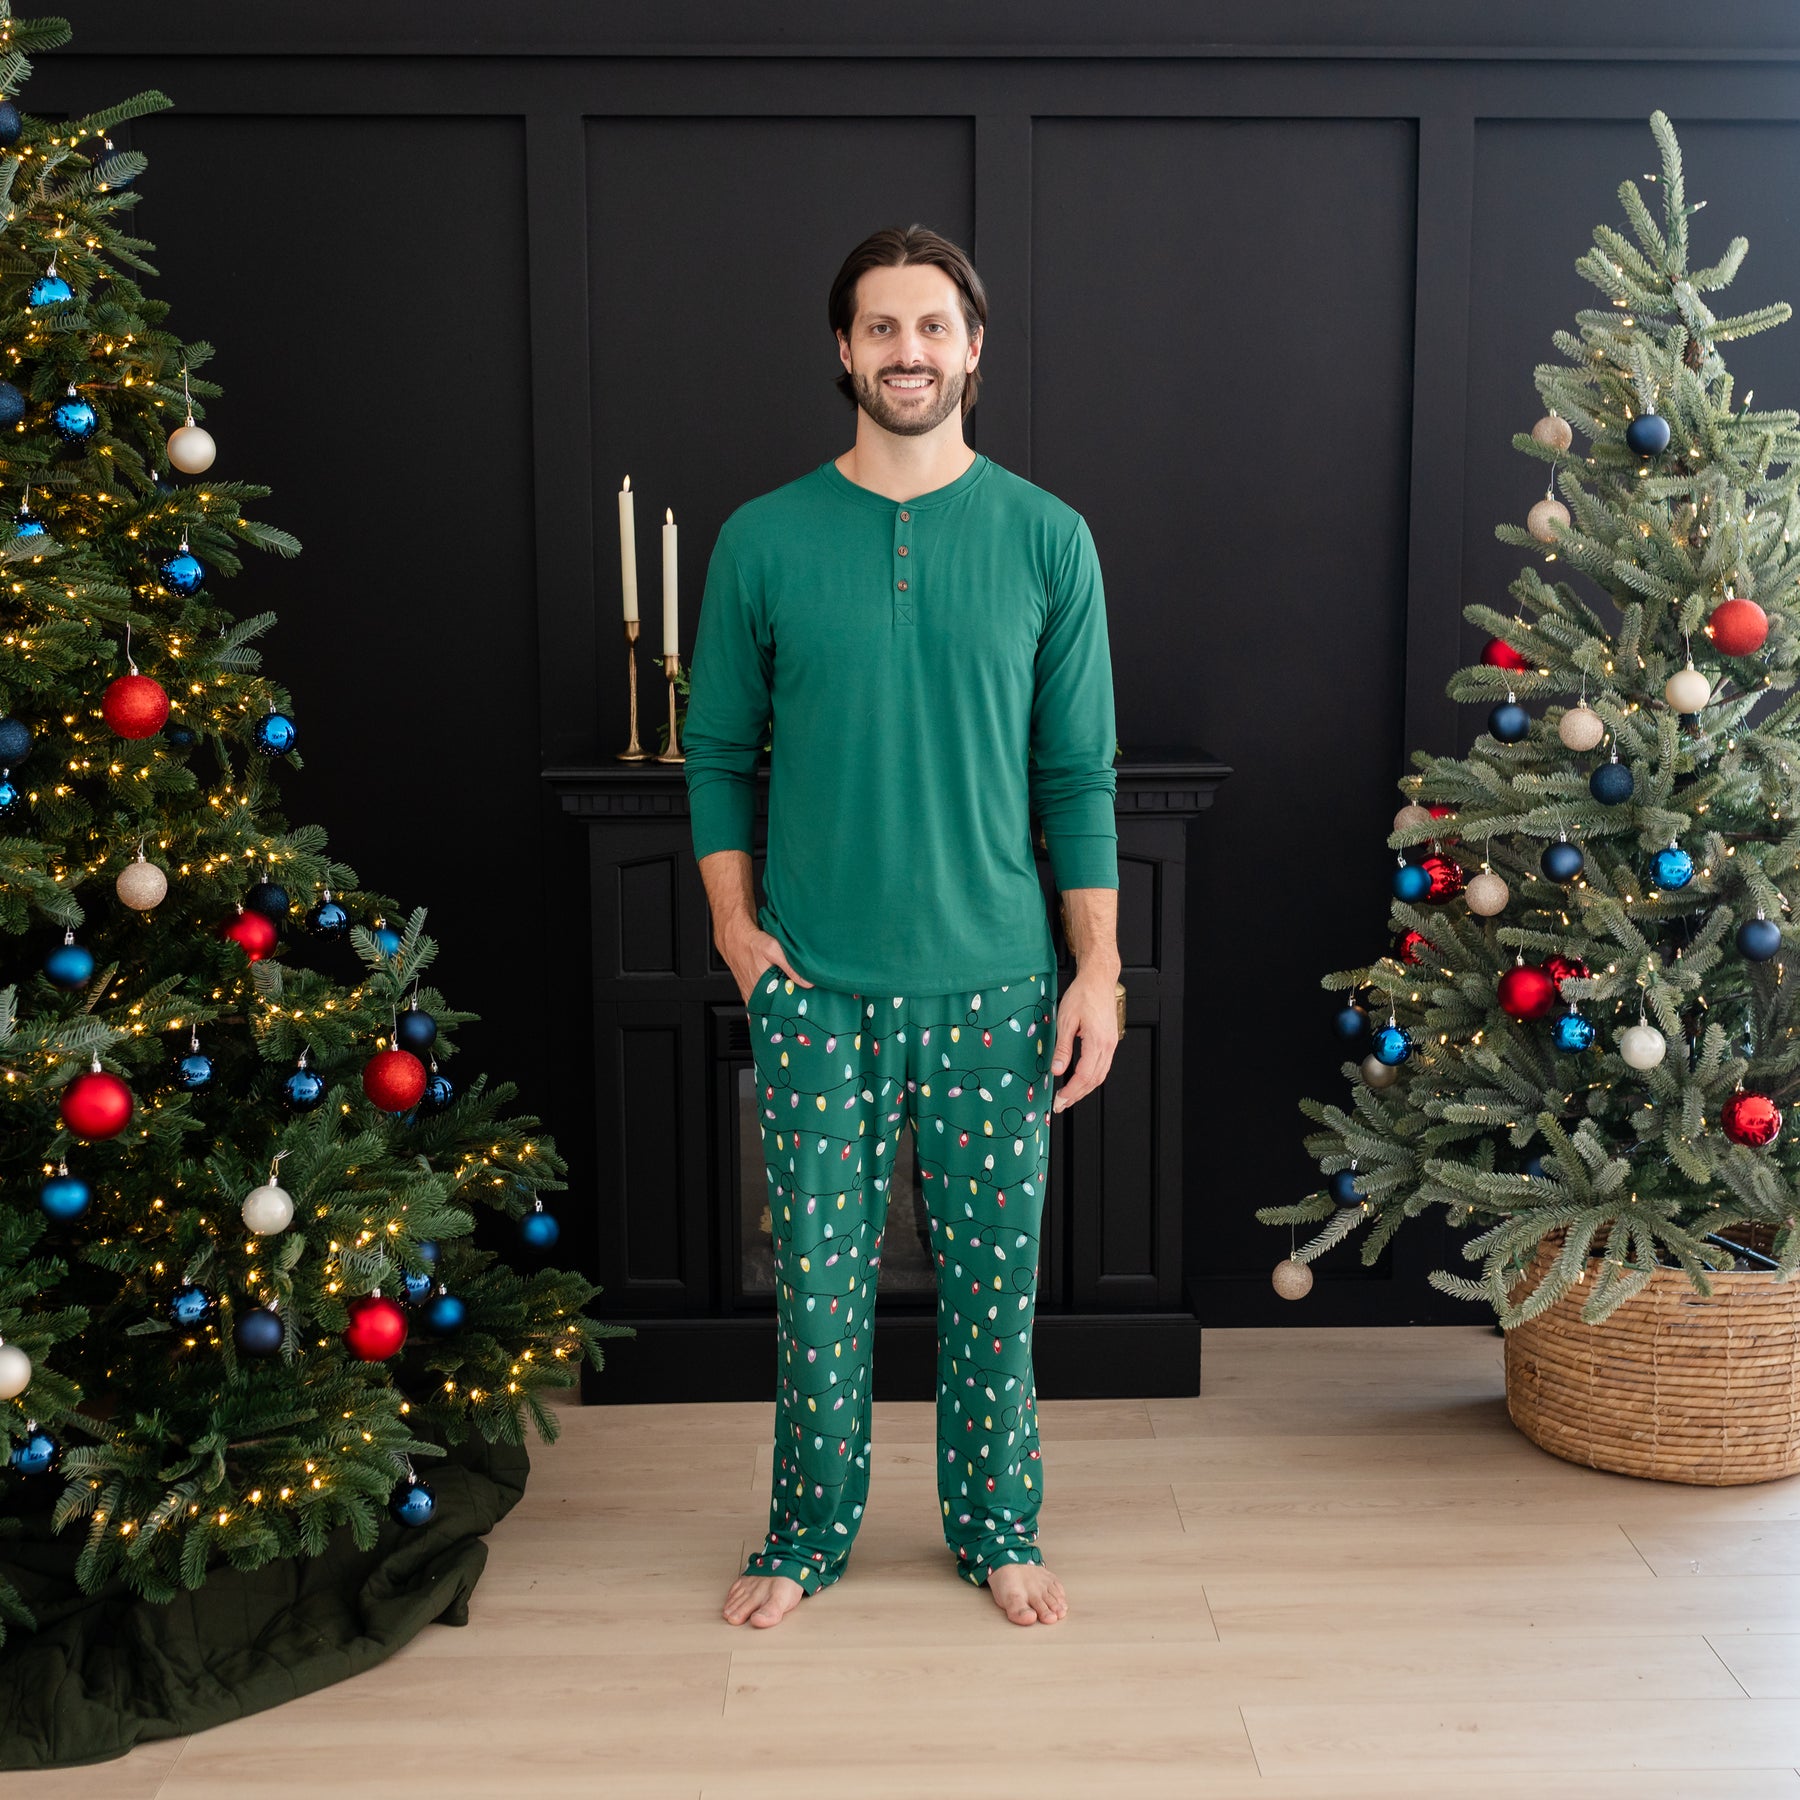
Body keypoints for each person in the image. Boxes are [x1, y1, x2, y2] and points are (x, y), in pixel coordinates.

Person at [683, 223, 1121, 1632]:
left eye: (933, 327)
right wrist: (739, 940)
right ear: (844, 350)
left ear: (974, 348)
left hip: (998, 982)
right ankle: (806, 1535)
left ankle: (997, 1527)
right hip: (816, 987)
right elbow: (715, 757)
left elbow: (1077, 777)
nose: (908, 352)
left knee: (996, 1295)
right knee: (817, 1294)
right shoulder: (762, 538)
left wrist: (1097, 969)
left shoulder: (1050, 539)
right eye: (882, 329)